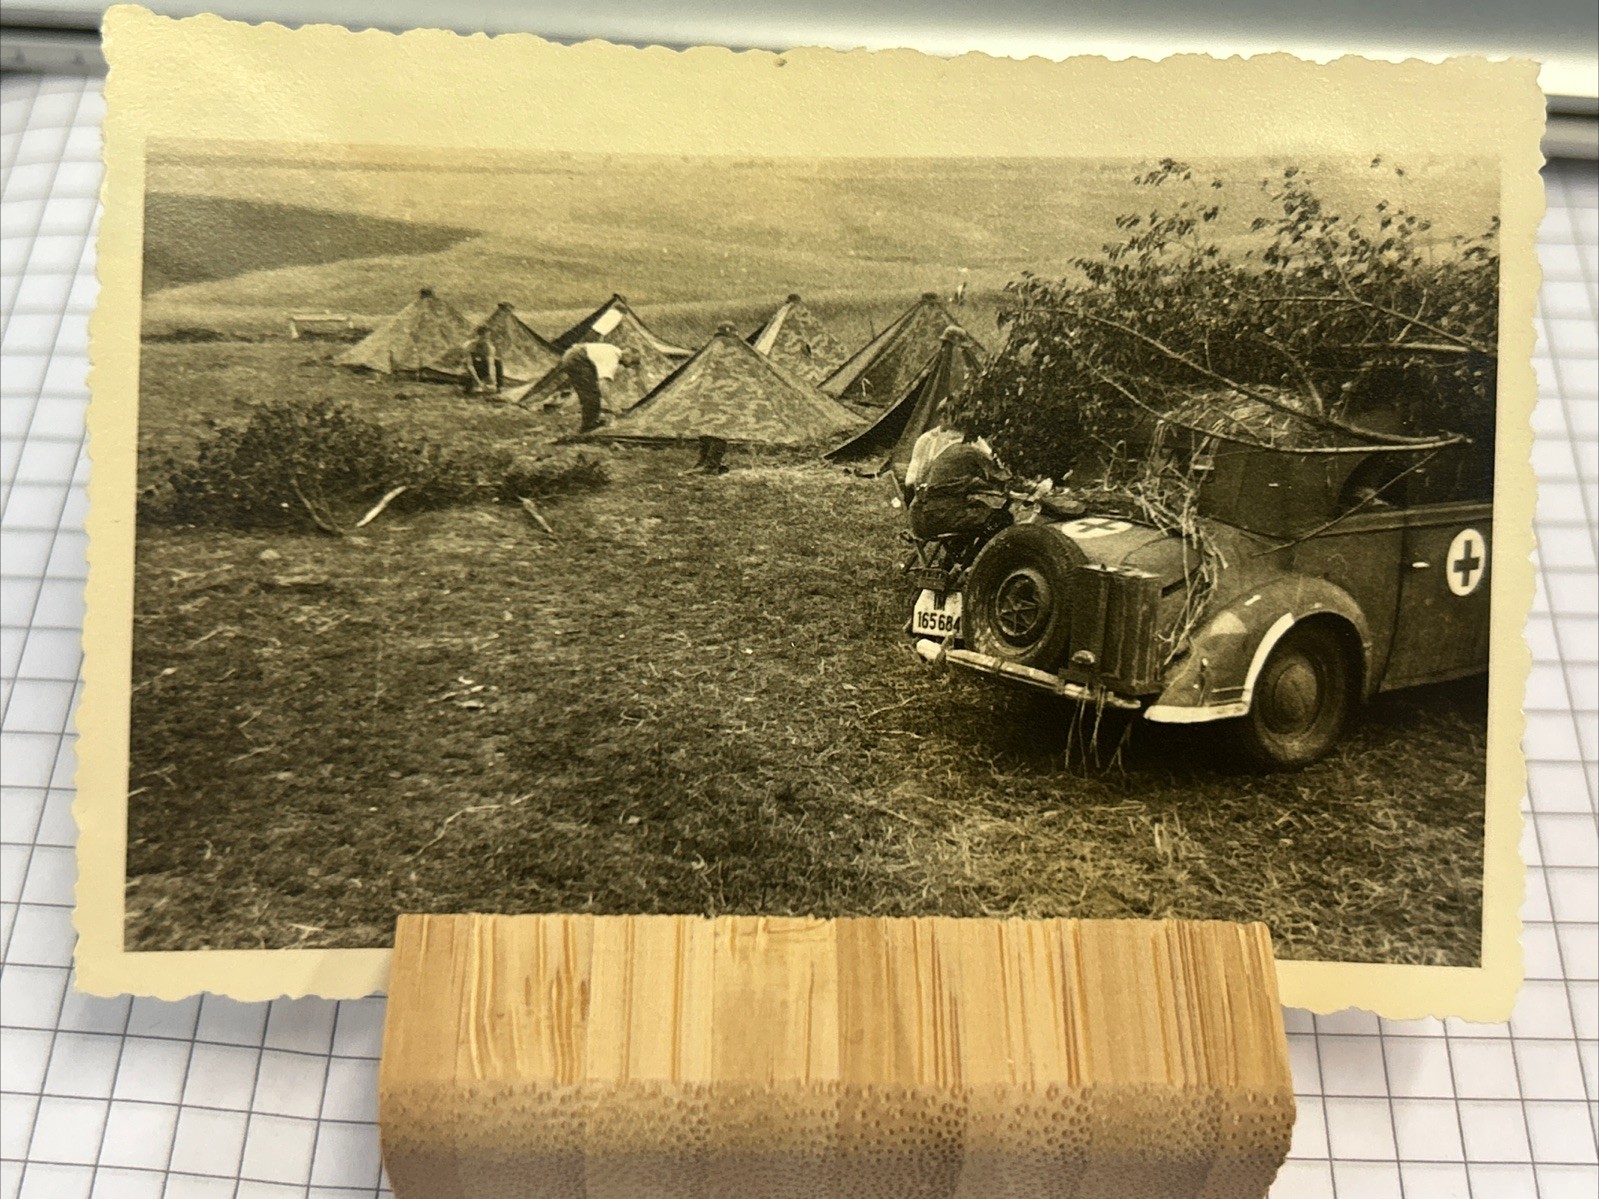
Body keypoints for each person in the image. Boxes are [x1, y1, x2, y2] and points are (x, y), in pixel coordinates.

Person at [559, 342, 630, 433]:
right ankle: (588, 427)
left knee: (589, 392)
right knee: (591, 394)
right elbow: (603, 385)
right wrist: (613, 406)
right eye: (631, 362)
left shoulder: (613, 349)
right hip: (577, 359)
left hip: (573, 355)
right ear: (628, 355)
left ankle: (591, 423)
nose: (628, 366)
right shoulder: (613, 359)